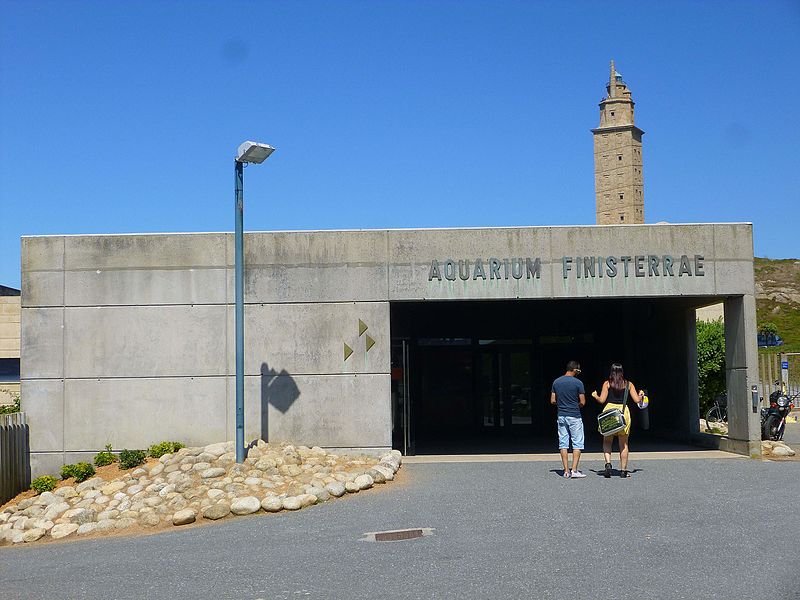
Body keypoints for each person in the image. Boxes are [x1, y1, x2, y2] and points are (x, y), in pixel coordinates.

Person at [592, 363, 644, 478]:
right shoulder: (629, 384)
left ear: (611, 372)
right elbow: (636, 400)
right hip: (623, 412)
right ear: (622, 372)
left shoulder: (607, 383)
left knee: (607, 441)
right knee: (623, 444)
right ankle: (623, 470)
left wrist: (595, 396)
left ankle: (608, 463)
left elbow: (602, 400)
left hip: (609, 412)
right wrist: (640, 395)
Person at [551, 360, 586, 479]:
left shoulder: (556, 382)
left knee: (563, 443)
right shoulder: (578, 383)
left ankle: (566, 470)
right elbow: (582, 402)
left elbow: (552, 400)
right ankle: (574, 470)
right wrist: (576, 405)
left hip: (561, 415)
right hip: (574, 415)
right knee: (577, 443)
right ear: (575, 369)